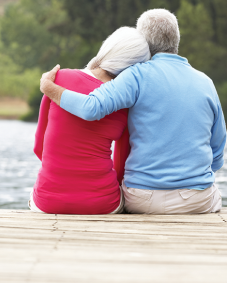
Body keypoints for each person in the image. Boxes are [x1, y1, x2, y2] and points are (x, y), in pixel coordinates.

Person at [40, 9, 226, 215]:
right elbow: (217, 151)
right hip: (194, 199)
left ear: (143, 43)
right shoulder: (206, 83)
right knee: (215, 194)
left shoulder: (135, 76)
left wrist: (50, 88)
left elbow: (91, 107)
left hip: (142, 198)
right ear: (177, 39)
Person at [30, 27, 151, 214]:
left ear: (107, 49)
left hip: (48, 200)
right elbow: (121, 163)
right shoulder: (125, 102)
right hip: (103, 204)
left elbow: (40, 146)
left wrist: (64, 175)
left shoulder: (57, 80)